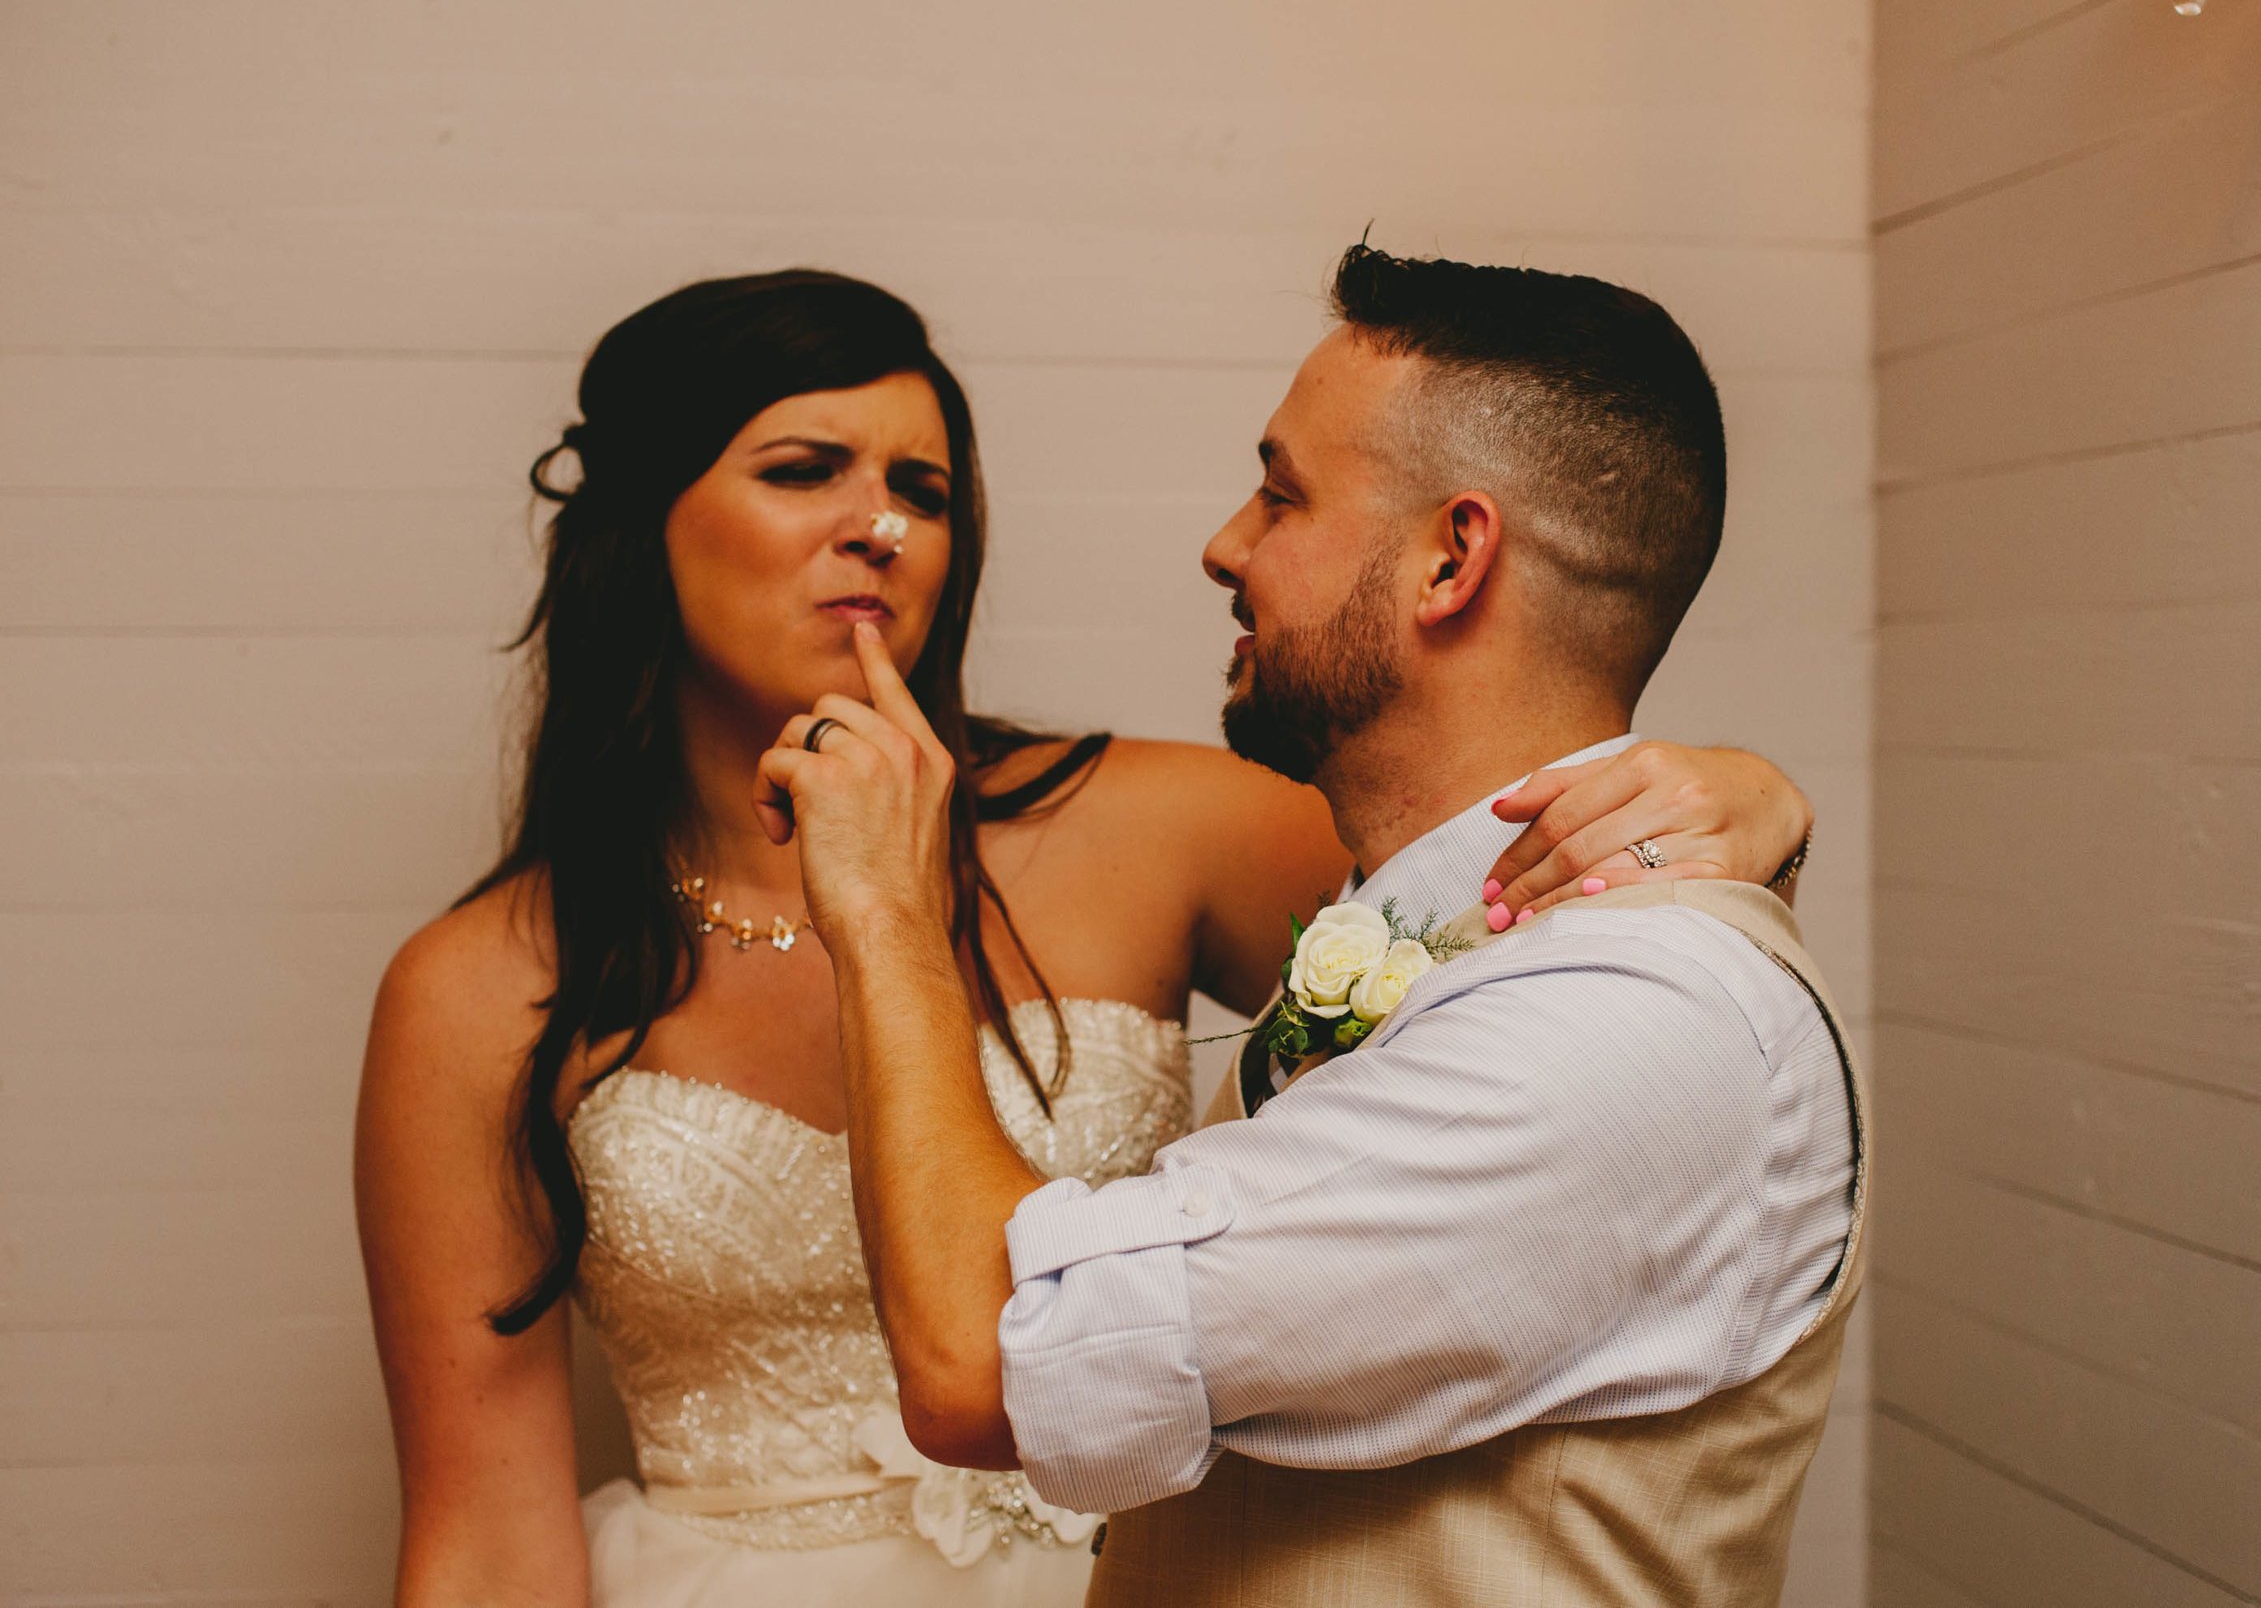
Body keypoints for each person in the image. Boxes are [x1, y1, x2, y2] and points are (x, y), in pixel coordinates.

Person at [352, 268, 1815, 1608]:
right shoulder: (483, 986)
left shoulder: (1151, 822)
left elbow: (1490, 883)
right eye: (805, 471)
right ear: (638, 526)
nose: (882, 527)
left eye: (923, 489)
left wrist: (1749, 798)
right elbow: (485, 1534)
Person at [762, 246, 1864, 1608]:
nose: (1225, 543)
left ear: (1452, 559)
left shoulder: (1629, 1017)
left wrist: (881, 908)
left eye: (1282, 495)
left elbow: (993, 1357)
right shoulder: (1452, 909)